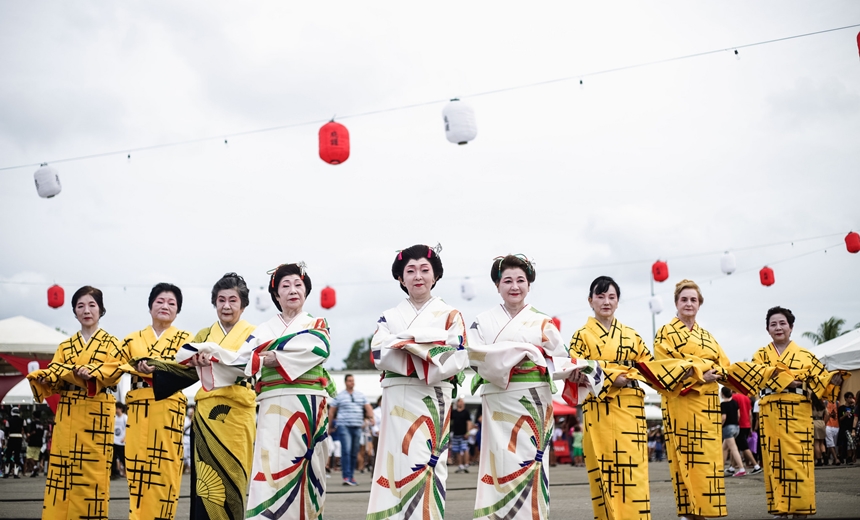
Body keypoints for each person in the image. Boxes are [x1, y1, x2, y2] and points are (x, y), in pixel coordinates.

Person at [184, 263, 336, 519]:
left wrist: (272, 355)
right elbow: (240, 361)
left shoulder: (317, 323)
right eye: (285, 286)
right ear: (276, 295)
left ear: (306, 291)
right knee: (270, 469)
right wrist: (210, 358)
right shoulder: (262, 330)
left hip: (308, 404)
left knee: (308, 472)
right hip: (272, 405)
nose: (292, 290)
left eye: (298, 285)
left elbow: (319, 347)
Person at [470, 255, 595, 520]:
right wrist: (523, 353)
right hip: (498, 398)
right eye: (508, 281)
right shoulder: (481, 321)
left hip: (534, 400)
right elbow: (474, 357)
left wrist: (577, 370)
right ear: (497, 285)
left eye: (520, 280)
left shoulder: (543, 322)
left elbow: (559, 358)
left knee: (530, 462)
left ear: (529, 284)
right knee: (498, 461)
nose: (514, 286)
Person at [569, 275, 690, 520]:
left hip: (631, 408)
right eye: (600, 296)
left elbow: (649, 366)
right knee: (605, 469)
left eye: (611, 297)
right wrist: (612, 376)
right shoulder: (581, 335)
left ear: (618, 301)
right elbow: (575, 369)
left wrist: (681, 370)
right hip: (600, 408)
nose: (606, 302)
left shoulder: (631, 335)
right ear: (590, 300)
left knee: (633, 469)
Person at [366, 244, 469, 520]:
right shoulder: (389, 316)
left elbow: (456, 355)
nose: (418, 276)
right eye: (410, 271)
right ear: (401, 278)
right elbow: (378, 352)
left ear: (435, 276)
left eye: (425, 269)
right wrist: (427, 347)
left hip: (432, 396)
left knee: (427, 466)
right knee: (393, 464)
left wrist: (403, 343)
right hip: (395, 396)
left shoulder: (451, 315)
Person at [151, 272, 258, 519]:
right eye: (221, 300)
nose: (227, 306)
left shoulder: (255, 334)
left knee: (233, 478)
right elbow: (183, 368)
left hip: (238, 415)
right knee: (205, 485)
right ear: (214, 302)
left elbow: (258, 367)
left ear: (243, 304)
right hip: (206, 416)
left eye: (233, 300)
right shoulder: (204, 335)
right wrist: (156, 366)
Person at [727, 306, 844, 518]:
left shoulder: (806, 355)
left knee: (800, 461)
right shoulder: (760, 355)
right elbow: (757, 377)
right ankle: (780, 509)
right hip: (771, 412)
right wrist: (794, 379)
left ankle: (801, 509)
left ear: (791, 327)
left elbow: (821, 381)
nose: (778, 327)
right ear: (767, 329)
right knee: (775, 460)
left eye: (782, 323)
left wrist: (829, 379)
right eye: (773, 324)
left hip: (798, 412)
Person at [27, 286, 123, 518]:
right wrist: (47, 376)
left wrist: (83, 373)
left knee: (92, 472)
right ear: (74, 311)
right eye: (80, 306)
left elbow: (114, 372)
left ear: (101, 310)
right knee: (63, 470)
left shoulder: (113, 343)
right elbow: (55, 375)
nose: (86, 310)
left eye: (92, 305)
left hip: (96, 412)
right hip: (68, 413)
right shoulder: (65, 346)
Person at [654, 279, 731, 520]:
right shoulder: (665, 332)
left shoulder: (708, 336)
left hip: (708, 405)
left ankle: (706, 509)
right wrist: (700, 374)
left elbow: (724, 365)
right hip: (681, 402)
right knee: (685, 456)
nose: (689, 303)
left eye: (693, 300)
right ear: (676, 303)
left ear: (699, 305)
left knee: (708, 458)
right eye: (684, 299)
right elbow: (664, 366)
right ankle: (688, 512)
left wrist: (716, 374)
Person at [114, 282, 191, 520]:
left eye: (172, 303)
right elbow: (112, 366)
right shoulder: (130, 340)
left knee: (166, 469)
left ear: (177, 310)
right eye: (160, 301)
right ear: (150, 307)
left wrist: (157, 369)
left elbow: (190, 370)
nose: (165, 306)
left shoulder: (186, 339)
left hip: (169, 406)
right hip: (138, 406)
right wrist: (133, 367)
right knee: (137, 468)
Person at [329, 373, 374, 486]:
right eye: (349, 380)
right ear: (345, 382)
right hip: (344, 426)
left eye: (353, 380)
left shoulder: (360, 395)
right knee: (346, 451)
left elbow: (368, 407)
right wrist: (330, 426)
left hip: (357, 426)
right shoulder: (339, 396)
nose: (352, 382)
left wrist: (371, 417)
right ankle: (346, 476)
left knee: (354, 452)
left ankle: (351, 476)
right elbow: (332, 411)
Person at [731, 389, 761, 474]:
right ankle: (732, 467)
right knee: (737, 446)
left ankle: (756, 465)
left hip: (739, 425)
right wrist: (751, 428)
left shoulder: (734, 397)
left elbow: (737, 413)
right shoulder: (747, 398)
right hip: (747, 424)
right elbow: (750, 414)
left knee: (743, 446)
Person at [720, 387, 745, 477]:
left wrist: (719, 426)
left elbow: (723, 417)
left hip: (728, 428)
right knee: (724, 448)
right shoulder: (735, 402)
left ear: (722, 394)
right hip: (736, 427)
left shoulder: (723, 404)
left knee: (733, 449)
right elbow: (738, 415)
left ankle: (741, 468)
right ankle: (720, 468)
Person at [449, 398, 471, 473]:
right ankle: (460, 464)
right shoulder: (454, 412)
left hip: (463, 433)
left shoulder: (466, 412)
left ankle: (466, 463)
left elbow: (469, 422)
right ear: (457, 403)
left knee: (464, 449)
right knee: (457, 450)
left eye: (462, 402)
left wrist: (468, 433)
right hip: (456, 434)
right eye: (459, 402)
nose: (461, 403)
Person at [3, 407, 24, 478]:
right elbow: (25, 429)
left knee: (8, 455)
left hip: (11, 437)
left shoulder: (9, 420)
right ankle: (16, 473)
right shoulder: (22, 420)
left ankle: (6, 473)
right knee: (17, 455)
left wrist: (6, 438)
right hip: (19, 437)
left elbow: (6, 431)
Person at [838, 392, 856, 464]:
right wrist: (845, 415)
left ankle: (850, 457)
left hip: (851, 427)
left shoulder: (853, 408)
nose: (850, 399)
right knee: (844, 443)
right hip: (844, 427)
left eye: (852, 397)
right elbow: (839, 419)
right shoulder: (841, 408)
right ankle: (842, 456)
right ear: (845, 398)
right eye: (849, 397)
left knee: (851, 442)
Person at [24, 412, 44, 477]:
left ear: (34, 416)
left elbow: (33, 431)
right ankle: (34, 472)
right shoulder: (41, 424)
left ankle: (35, 467)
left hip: (33, 441)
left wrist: (28, 437)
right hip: (39, 442)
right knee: (35, 457)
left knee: (29, 456)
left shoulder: (33, 423)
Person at [811, 395, 827, 466]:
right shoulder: (822, 405)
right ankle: (824, 454)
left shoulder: (811, 405)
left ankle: (819, 460)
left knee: (816, 443)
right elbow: (828, 414)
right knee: (822, 442)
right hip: (821, 422)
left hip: (814, 422)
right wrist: (824, 422)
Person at [112, 403, 127, 479]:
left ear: (121, 409)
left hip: (121, 441)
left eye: (117, 408)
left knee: (123, 458)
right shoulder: (114, 417)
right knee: (113, 457)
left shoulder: (125, 417)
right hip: (114, 440)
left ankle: (126, 472)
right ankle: (115, 472)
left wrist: (125, 438)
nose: (116, 410)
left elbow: (128, 429)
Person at [825, 398, 840, 464]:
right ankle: (836, 459)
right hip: (827, 425)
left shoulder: (837, 402)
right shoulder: (825, 402)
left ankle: (827, 457)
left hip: (836, 425)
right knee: (830, 443)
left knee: (833, 444)